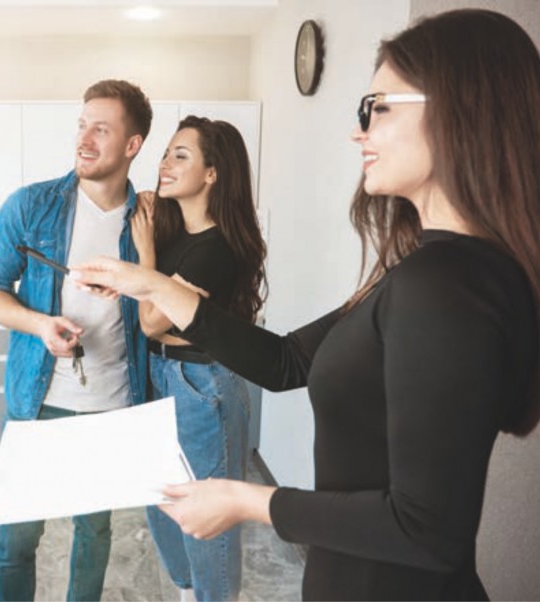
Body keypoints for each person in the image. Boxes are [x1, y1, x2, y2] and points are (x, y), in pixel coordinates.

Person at [71, 9, 540, 600]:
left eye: (378, 108)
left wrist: (247, 500)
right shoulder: (428, 273)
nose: (358, 132)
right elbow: (286, 362)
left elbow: (427, 531)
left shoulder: (446, 285)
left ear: (460, 112)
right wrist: (150, 284)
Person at [0, 79, 152, 602]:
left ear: (132, 144)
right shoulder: (32, 206)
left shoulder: (150, 219)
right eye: (82, 125)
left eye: (101, 129)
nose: (84, 140)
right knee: (17, 540)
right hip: (39, 403)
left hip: (112, 405)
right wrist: (40, 325)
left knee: (94, 534)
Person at [131, 115, 265, 601]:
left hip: (201, 386)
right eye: (167, 153)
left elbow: (151, 321)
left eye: (180, 155)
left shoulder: (215, 249)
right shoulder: (175, 234)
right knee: (163, 505)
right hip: (161, 376)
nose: (165, 163)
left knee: (209, 522)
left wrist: (145, 254)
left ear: (212, 173)